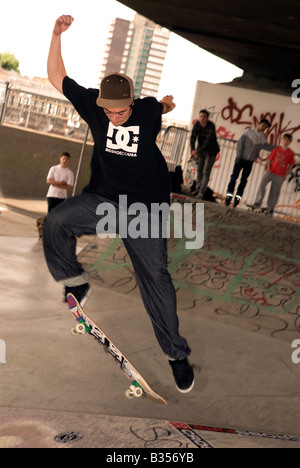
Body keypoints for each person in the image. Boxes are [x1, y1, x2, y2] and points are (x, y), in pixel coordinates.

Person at [43, 15, 194, 393]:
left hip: (146, 209)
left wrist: (167, 103)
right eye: (109, 112)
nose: (114, 117)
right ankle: (76, 282)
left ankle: (176, 355)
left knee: (155, 279)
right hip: (106, 200)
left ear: (131, 102)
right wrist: (55, 35)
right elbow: (57, 77)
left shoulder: (145, 110)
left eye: (120, 112)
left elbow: (160, 105)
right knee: (58, 222)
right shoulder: (94, 105)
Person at [225, 119, 275, 207]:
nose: (264, 128)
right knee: (234, 177)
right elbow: (240, 143)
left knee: (244, 180)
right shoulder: (249, 131)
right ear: (259, 124)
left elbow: (268, 147)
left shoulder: (262, 138)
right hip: (240, 159)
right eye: (263, 125)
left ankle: (237, 198)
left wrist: (280, 148)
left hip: (250, 162)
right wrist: (238, 156)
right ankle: (228, 196)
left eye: (266, 127)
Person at [250, 134, 295, 216]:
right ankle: (257, 202)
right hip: (270, 171)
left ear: (290, 142)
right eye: (284, 140)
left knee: (274, 192)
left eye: (288, 141)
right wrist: (268, 169)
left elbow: (291, 164)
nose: (285, 142)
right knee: (262, 185)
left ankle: (270, 208)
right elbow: (270, 159)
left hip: (280, 175)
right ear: (282, 140)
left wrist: (286, 174)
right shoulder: (277, 149)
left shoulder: (290, 153)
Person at [190, 109, 220, 198]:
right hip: (201, 151)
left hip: (211, 151)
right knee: (199, 170)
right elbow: (192, 138)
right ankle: (197, 189)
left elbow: (207, 141)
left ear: (207, 118)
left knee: (206, 171)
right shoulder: (197, 124)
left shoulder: (211, 126)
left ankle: (201, 192)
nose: (202, 118)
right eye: (201, 116)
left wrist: (197, 152)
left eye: (204, 116)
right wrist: (192, 150)